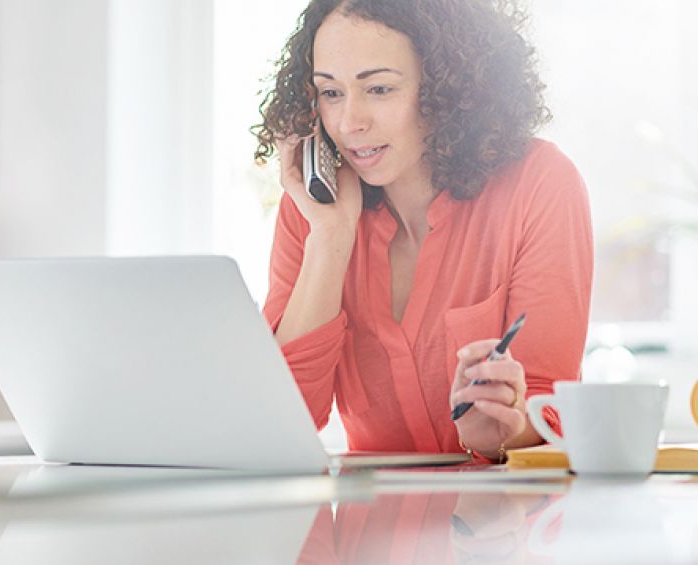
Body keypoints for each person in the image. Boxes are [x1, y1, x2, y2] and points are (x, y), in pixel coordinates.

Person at [252, 0, 593, 462]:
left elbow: (547, 408)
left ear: (448, 89)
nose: (350, 123)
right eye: (330, 93)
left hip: (502, 522)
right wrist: (331, 239)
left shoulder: (540, 183)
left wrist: (497, 432)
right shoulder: (314, 212)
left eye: (378, 88)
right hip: (367, 525)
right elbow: (278, 423)